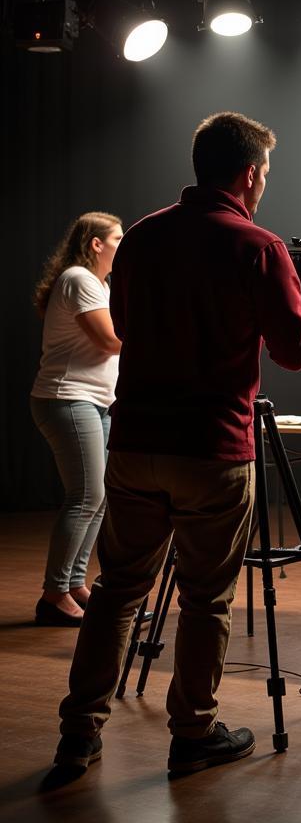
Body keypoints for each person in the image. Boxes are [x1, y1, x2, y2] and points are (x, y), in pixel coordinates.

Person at [50, 111, 301, 780]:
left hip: (137, 441)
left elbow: (120, 323)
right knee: (206, 598)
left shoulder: (141, 237)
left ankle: (78, 735)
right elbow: (296, 351)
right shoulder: (258, 247)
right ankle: (193, 733)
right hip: (213, 449)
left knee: (117, 590)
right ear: (250, 173)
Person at [30, 213, 123, 627]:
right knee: (85, 497)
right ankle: (53, 595)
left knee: (97, 498)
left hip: (92, 402)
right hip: (68, 399)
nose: (124, 244)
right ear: (96, 244)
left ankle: (73, 584)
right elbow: (108, 341)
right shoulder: (79, 279)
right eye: (118, 238)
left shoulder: (100, 284)